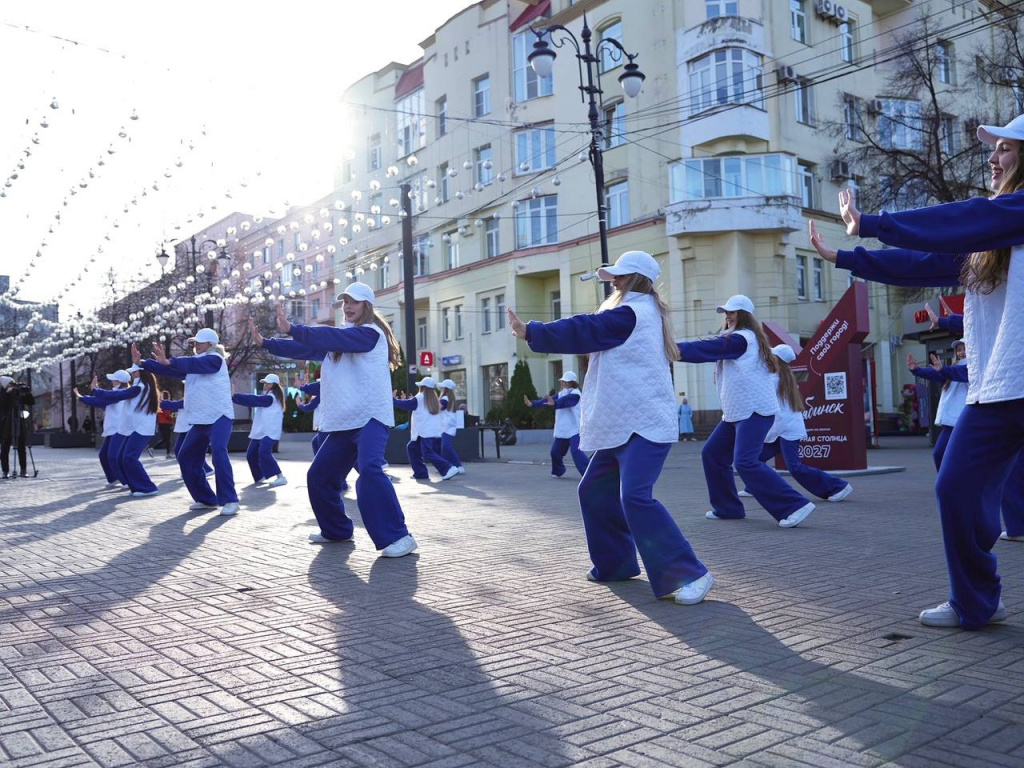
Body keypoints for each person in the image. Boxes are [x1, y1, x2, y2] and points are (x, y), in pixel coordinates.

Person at [807, 113, 1024, 629]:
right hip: (1002, 385)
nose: (992, 159)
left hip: (1006, 383)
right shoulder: (993, 232)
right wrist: (844, 256)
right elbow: (922, 263)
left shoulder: (1008, 214)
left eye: (1005, 150)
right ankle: (976, 601)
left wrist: (876, 221)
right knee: (955, 486)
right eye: (991, 151)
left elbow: (960, 218)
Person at [508, 250, 714, 605]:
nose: (613, 281)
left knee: (635, 497)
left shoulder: (631, 313)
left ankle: (690, 573)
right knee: (593, 491)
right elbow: (593, 328)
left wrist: (533, 331)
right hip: (624, 423)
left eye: (619, 276)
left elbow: (587, 328)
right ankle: (616, 564)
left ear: (636, 279)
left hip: (643, 424)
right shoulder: (635, 311)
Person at [255, 283, 416, 556]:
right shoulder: (341, 339)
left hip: (370, 418)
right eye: (344, 303)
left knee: (370, 471)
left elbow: (328, 338)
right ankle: (337, 530)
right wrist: (266, 343)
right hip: (344, 421)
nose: (348, 307)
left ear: (367, 306)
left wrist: (294, 328)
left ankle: (399, 537)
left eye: (354, 302)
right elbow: (306, 350)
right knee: (319, 476)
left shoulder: (371, 334)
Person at [678, 295, 816, 528]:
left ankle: (794, 505)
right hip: (735, 413)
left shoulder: (743, 339)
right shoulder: (738, 339)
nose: (728, 316)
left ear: (745, 316)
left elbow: (706, 348)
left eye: (733, 312)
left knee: (745, 462)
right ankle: (728, 508)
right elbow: (712, 348)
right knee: (712, 455)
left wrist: (672, 349)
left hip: (754, 411)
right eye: (726, 313)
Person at [137, 330, 239, 516]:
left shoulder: (215, 359)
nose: (196, 345)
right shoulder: (196, 364)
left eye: (199, 342)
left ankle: (230, 500)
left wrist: (170, 361)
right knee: (185, 456)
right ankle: (207, 499)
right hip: (201, 420)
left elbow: (190, 363)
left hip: (219, 417)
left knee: (218, 452)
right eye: (194, 342)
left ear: (211, 343)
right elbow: (170, 369)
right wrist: (143, 364)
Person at [739, 344, 852, 503]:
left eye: (771, 356)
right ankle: (753, 487)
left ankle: (837, 487)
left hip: (787, 430)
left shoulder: (774, 380)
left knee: (795, 467)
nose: (767, 359)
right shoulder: (781, 378)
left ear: (776, 360)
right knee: (755, 458)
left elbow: (754, 396)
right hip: (779, 430)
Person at [525, 371, 589, 478]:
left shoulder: (576, 394)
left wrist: (555, 403)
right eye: (563, 381)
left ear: (572, 383)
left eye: (566, 382)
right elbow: (547, 400)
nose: (564, 383)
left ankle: (589, 474)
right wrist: (533, 404)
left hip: (575, 429)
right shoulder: (561, 393)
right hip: (563, 430)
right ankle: (558, 471)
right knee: (555, 453)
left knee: (576, 452)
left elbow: (566, 401)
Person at [393, 377, 459, 481]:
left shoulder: (420, 397)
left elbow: (406, 405)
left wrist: (393, 400)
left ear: (422, 387)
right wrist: (406, 400)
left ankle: (448, 468)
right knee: (412, 448)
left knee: (426, 452)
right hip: (429, 431)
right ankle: (421, 473)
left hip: (423, 431)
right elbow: (411, 404)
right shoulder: (432, 399)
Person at [74, 371, 130, 488]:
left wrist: (81, 398)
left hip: (119, 429)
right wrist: (97, 390)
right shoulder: (117, 392)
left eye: (113, 379)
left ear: (119, 381)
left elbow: (101, 401)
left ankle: (126, 481)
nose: (111, 381)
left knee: (113, 456)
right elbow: (104, 399)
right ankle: (113, 479)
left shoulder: (120, 393)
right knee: (103, 455)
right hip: (112, 428)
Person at [233, 373, 287, 488]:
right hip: (261, 431)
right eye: (264, 383)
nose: (265, 385)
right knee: (251, 454)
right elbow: (255, 400)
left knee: (263, 452)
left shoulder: (270, 398)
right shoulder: (267, 396)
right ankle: (259, 477)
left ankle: (281, 477)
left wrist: (236, 396)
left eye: (268, 383)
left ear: (274, 385)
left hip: (269, 432)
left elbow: (254, 399)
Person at [1, 376, 35, 479]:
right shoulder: (3, 393)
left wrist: (27, 392)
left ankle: (23, 470)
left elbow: (31, 402)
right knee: (5, 448)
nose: (13, 386)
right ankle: (5, 471)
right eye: (10, 384)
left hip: (19, 421)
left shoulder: (19, 392)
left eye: (13, 383)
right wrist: (7, 392)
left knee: (22, 447)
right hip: (5, 424)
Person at [439, 378, 465, 475]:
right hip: (447, 426)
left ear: (446, 389)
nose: (441, 388)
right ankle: (447, 466)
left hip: (447, 426)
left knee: (446, 447)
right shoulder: (449, 398)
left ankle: (458, 465)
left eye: (442, 387)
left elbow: (437, 408)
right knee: (444, 448)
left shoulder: (445, 399)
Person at [155, 390, 175, 458]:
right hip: (165, 422)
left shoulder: (160, 403)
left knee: (165, 439)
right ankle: (168, 454)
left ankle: (152, 448)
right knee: (167, 439)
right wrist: (172, 419)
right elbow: (167, 414)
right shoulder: (165, 403)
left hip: (161, 422)